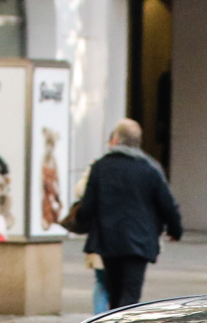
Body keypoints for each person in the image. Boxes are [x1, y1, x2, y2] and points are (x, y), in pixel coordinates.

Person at [75, 119, 181, 309]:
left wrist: (81, 221)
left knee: (114, 292)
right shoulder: (149, 168)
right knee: (131, 294)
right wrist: (175, 230)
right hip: (138, 241)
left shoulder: (101, 167)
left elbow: (88, 205)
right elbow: (167, 204)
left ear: (116, 140)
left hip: (108, 240)